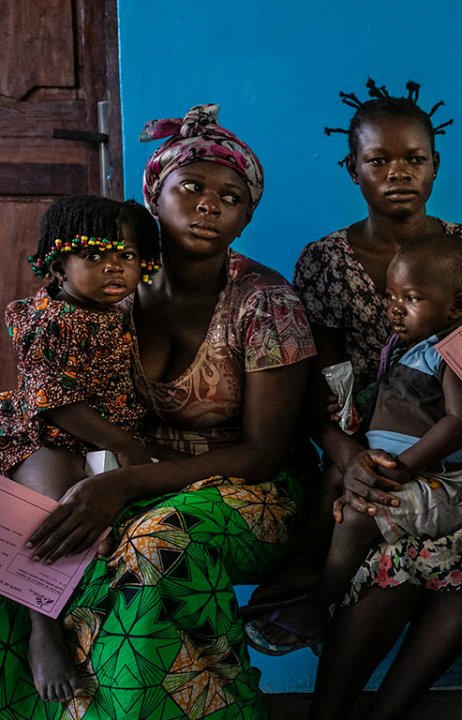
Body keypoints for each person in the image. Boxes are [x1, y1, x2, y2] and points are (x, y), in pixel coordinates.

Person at [0, 103, 316, 719]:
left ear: (248, 215)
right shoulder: (111, 286)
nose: (208, 204)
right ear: (155, 193)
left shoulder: (265, 303)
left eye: (231, 196)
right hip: (124, 470)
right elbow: (55, 391)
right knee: (23, 521)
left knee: (153, 545)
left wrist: (126, 480)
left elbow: (263, 453)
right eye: (191, 187)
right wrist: (108, 474)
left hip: (249, 489)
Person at [247, 235, 462, 658]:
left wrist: (406, 467)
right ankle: (305, 569)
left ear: (456, 305)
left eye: (410, 298)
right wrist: (351, 413)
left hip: (444, 480)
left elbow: (461, 421)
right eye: (391, 297)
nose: (395, 309)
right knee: (338, 471)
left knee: (360, 514)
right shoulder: (406, 348)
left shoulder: (456, 349)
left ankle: (317, 605)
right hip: (403, 466)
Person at [0, 195, 160, 703]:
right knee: (50, 514)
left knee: (108, 532)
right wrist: (128, 447)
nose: (114, 267)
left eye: (127, 256)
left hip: (103, 441)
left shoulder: (117, 314)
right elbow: (57, 405)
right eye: (94, 255)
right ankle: (42, 630)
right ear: (58, 262)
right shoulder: (45, 318)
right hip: (44, 436)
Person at [294, 77, 462, 397]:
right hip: (368, 437)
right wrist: (348, 449)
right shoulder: (326, 263)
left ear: (434, 165)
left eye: (415, 159)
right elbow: (325, 387)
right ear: (353, 170)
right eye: (379, 161)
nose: (399, 172)